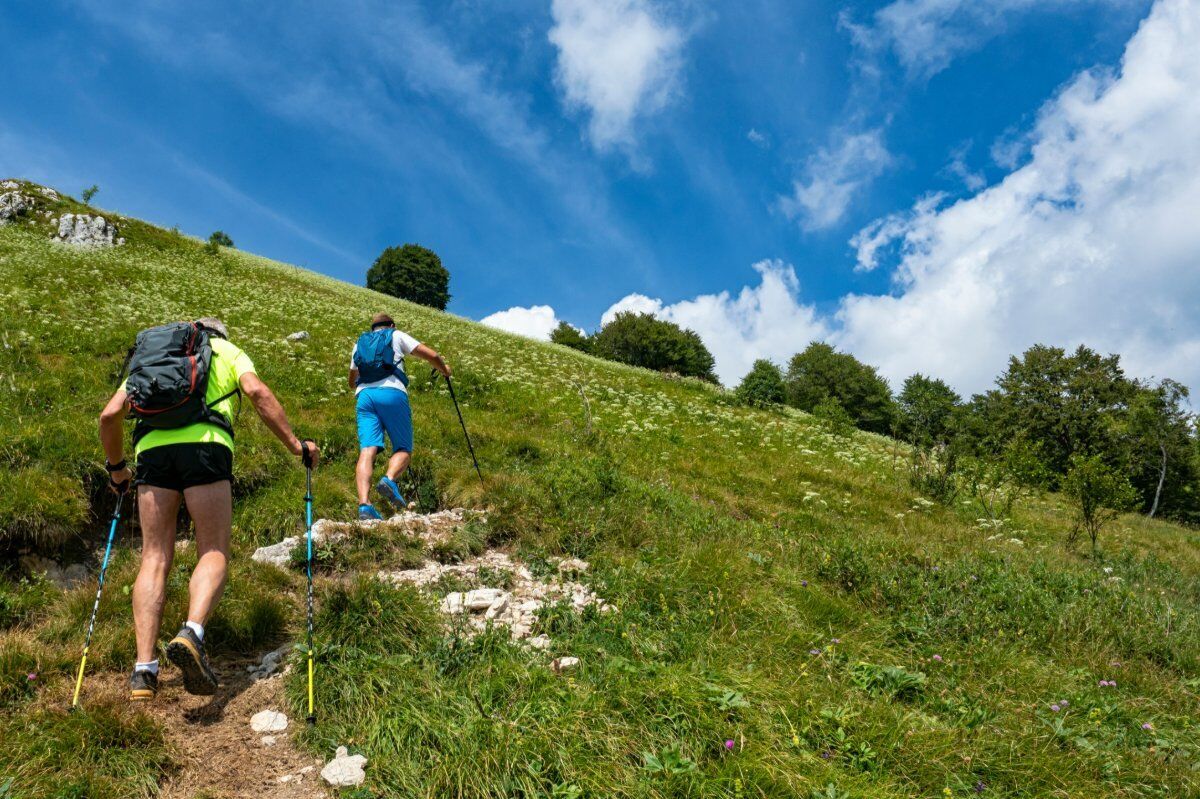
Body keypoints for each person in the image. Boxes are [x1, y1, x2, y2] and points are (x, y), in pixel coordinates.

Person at [99, 317, 318, 701]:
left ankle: (143, 673)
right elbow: (258, 393)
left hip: (150, 453)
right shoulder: (225, 351)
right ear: (218, 335)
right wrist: (295, 445)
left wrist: (117, 469)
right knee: (213, 549)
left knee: (153, 557)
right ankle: (192, 632)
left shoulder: (152, 356)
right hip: (207, 447)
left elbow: (109, 415)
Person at [350, 312, 450, 520]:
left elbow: (352, 381)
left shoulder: (360, 343)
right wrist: (444, 370)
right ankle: (389, 479)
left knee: (367, 449)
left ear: (373, 329)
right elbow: (431, 355)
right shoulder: (396, 335)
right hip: (392, 393)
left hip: (364, 397)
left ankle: (364, 505)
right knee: (404, 448)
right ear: (391, 325)